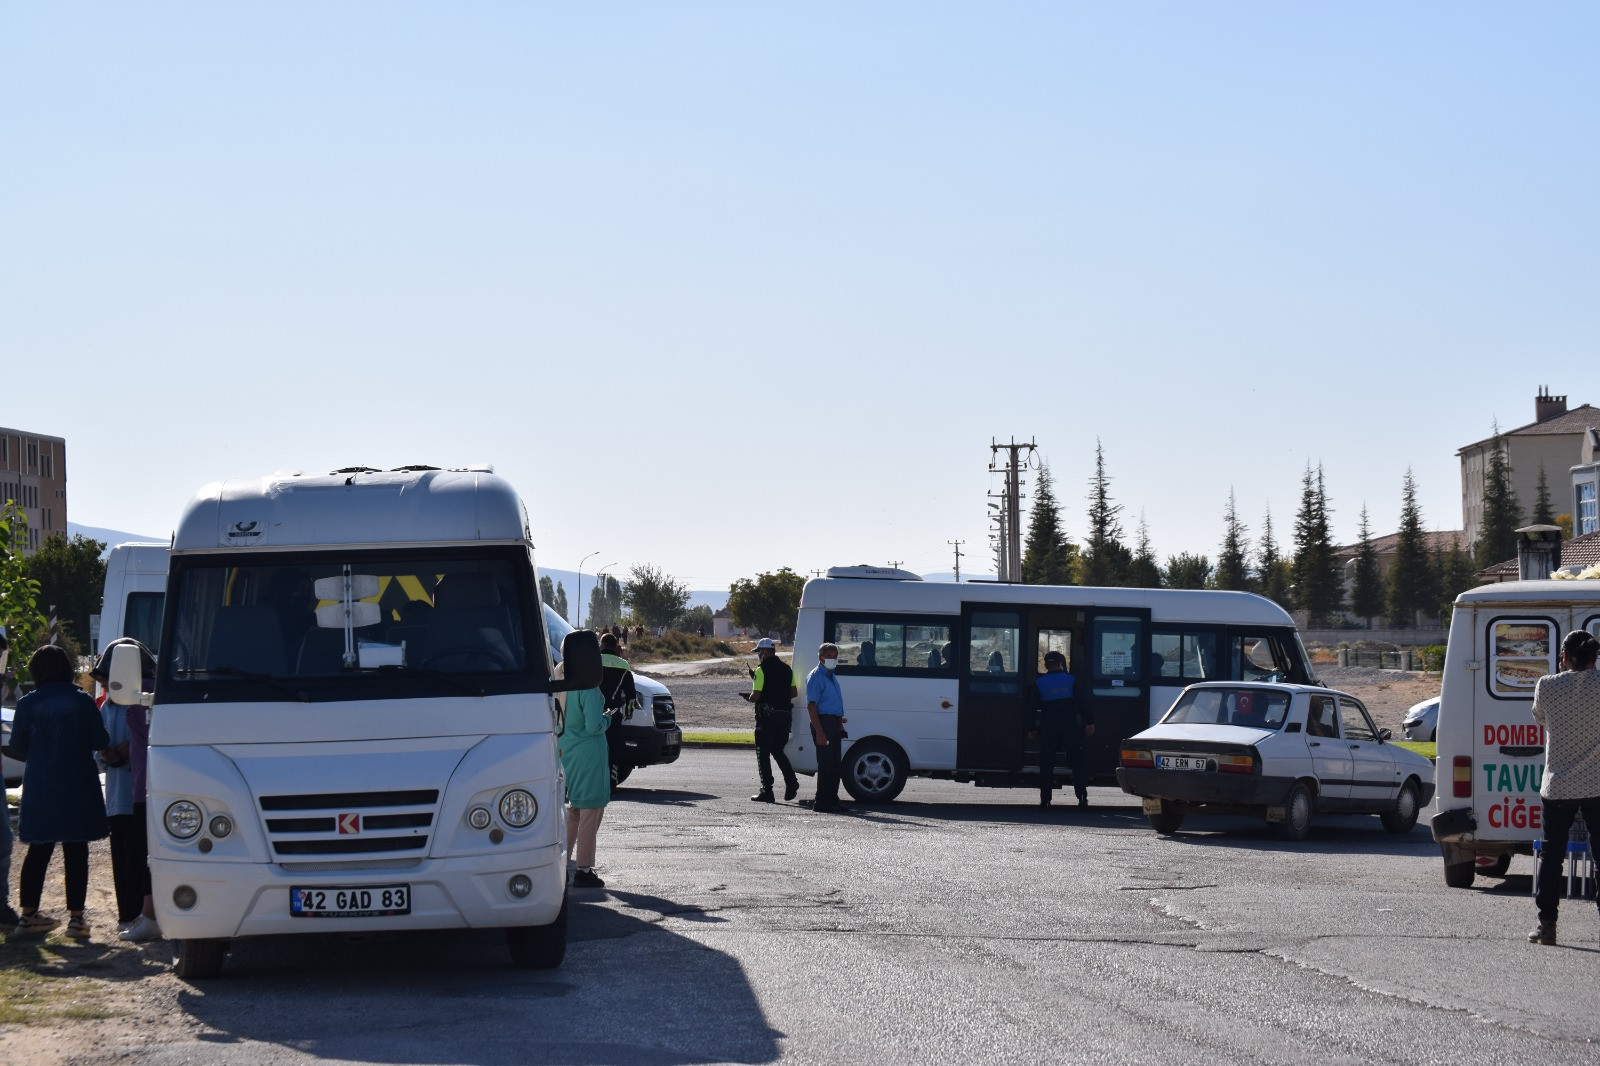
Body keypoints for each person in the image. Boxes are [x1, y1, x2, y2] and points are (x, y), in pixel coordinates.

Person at [9, 645, 110, 939]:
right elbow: (100, 739)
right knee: (76, 849)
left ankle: (28, 916)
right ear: (67, 669)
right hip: (77, 782)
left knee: (38, 849)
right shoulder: (81, 702)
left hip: (41, 783)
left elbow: (16, 745)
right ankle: (76, 921)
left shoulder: (28, 704)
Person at [1527, 629, 1600, 946]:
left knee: (1551, 855)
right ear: (1595, 658)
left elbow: (1540, 717)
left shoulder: (1547, 686)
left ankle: (1547, 926)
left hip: (1557, 785)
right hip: (1597, 783)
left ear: (1564, 657)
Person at [90, 639, 161, 941]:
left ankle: (145, 914)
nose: (106, 683)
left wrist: (125, 751)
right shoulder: (108, 705)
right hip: (120, 791)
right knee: (123, 855)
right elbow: (99, 743)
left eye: (109, 676)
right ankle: (128, 914)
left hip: (143, 790)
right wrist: (106, 753)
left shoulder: (149, 697)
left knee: (141, 855)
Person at [559, 631, 612, 888]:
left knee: (574, 811)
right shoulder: (588, 683)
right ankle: (584, 868)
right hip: (588, 751)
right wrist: (608, 718)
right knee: (591, 810)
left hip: (565, 747)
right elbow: (593, 725)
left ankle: (563, 861)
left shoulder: (559, 672)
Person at [1032, 650, 1094, 809]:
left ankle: (1045, 800)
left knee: (1047, 764)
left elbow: (1032, 708)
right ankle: (1081, 798)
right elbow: (1082, 702)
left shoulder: (1039, 682)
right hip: (1070, 727)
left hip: (1048, 728)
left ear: (1046, 665)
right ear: (1062, 663)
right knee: (1076, 763)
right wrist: (1089, 722)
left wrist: (1031, 728)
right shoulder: (1072, 680)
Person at [744, 638, 799, 803]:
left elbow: (756, 696)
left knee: (763, 753)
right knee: (778, 750)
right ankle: (791, 781)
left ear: (765, 652)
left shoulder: (761, 670)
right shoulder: (787, 669)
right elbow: (794, 692)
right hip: (785, 716)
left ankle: (767, 791)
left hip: (767, 717)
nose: (758, 655)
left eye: (759, 652)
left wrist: (749, 697)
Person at [805, 643, 847, 812]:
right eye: (828, 656)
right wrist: (820, 732)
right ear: (820, 657)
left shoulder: (831, 675)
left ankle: (832, 800)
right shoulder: (816, 676)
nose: (832, 659)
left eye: (834, 655)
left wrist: (839, 724)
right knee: (826, 764)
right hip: (822, 723)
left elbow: (833, 703)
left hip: (833, 723)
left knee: (835, 765)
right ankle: (822, 802)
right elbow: (811, 706)